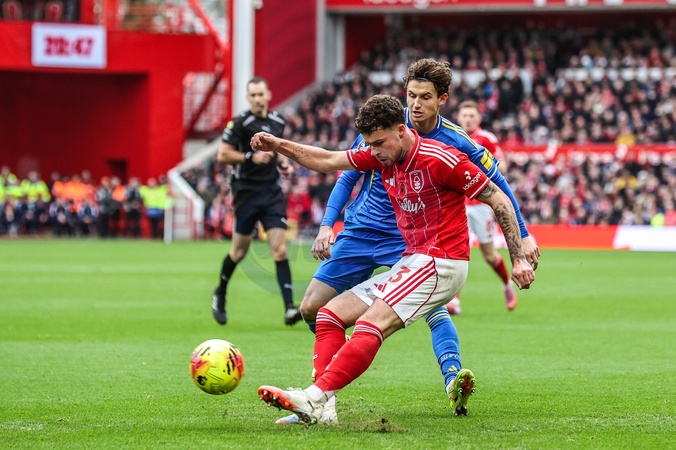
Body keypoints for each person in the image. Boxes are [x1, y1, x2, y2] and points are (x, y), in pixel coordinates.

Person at [274, 58, 540, 425]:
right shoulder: (381, 135)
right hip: (378, 238)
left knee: (385, 320)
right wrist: (278, 145)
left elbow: (497, 192)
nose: (415, 104)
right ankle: (324, 408)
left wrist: (521, 246)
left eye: (424, 96)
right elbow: (332, 162)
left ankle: (318, 398)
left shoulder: (446, 152)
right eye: (410, 95)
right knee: (325, 313)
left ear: (440, 100)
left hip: (434, 256)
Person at [211, 77, 302, 327]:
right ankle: (220, 292)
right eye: (253, 95)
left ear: (268, 95)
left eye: (261, 94)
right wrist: (250, 157)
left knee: (280, 249)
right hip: (246, 193)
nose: (258, 99)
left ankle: (289, 308)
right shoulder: (240, 123)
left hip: (271, 192)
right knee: (239, 251)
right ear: (247, 98)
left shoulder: (278, 121)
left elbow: (278, 151)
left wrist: (284, 164)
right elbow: (223, 154)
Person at [448, 100, 519, 314]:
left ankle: (507, 285)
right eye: (464, 115)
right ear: (458, 118)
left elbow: (502, 166)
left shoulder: (486, 139)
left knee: (489, 255)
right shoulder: (451, 136)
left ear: (479, 119)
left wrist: (481, 165)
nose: (468, 119)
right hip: (458, 202)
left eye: (472, 116)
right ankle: (454, 300)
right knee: (458, 251)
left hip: (482, 204)